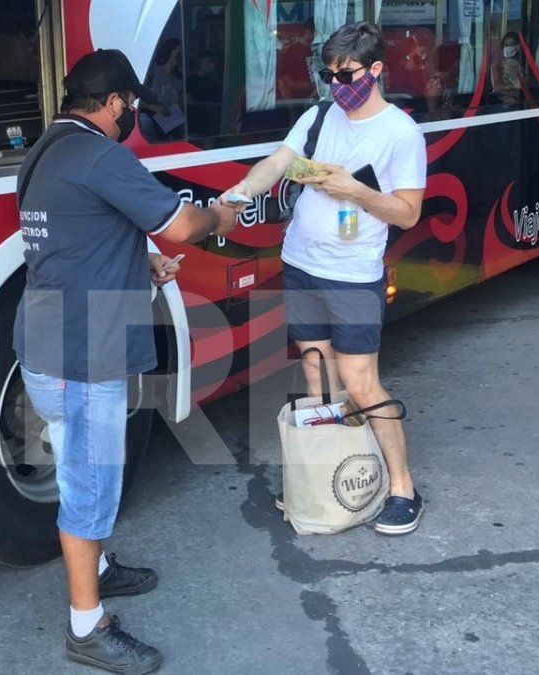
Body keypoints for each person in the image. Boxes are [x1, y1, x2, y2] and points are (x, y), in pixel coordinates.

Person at [14, 49, 238, 673]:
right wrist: (224, 211)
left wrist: (140, 264)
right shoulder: (102, 156)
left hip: (45, 346)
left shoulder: (45, 152)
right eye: (131, 105)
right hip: (82, 356)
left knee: (78, 469)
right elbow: (183, 225)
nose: (132, 116)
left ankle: (100, 569)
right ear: (113, 102)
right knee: (88, 487)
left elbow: (78, 232)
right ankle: (87, 627)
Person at [220, 21, 427, 535]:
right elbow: (279, 162)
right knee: (317, 375)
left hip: (353, 277)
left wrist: (354, 191)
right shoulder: (318, 116)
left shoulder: (401, 132)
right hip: (301, 265)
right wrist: (243, 191)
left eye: (347, 74)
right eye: (328, 75)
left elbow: (407, 214)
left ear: (376, 70)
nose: (337, 85)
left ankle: (403, 487)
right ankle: (336, 477)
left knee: (360, 382)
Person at [492, 31, 523, 107]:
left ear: (518, 45)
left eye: (512, 45)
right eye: (506, 45)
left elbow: (523, 90)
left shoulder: (523, 63)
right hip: (502, 103)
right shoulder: (498, 65)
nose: (508, 48)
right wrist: (512, 87)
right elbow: (497, 88)